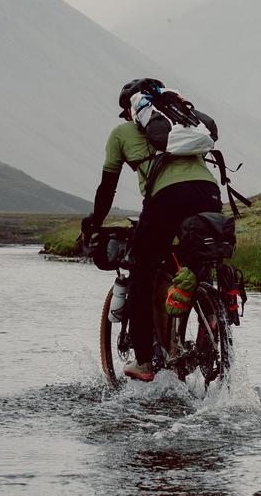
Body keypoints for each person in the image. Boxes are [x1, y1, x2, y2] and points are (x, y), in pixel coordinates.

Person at [81, 77, 223, 381]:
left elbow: (107, 189)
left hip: (167, 199)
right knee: (195, 259)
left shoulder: (121, 133)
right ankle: (210, 313)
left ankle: (144, 362)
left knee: (142, 272)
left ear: (130, 110)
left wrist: (93, 221)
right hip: (209, 193)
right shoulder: (184, 126)